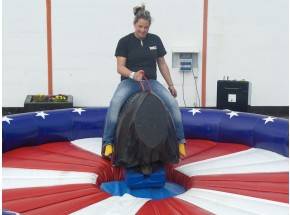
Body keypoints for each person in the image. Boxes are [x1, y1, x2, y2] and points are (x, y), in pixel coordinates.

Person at [102, 4, 186, 158]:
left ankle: (180, 141)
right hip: (130, 82)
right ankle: (108, 143)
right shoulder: (124, 42)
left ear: (149, 26)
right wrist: (133, 75)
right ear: (135, 24)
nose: (142, 30)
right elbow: (120, 67)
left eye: (146, 27)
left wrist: (171, 85)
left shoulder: (155, 40)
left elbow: (162, 64)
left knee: (172, 104)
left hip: (150, 82)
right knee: (115, 103)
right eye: (140, 26)